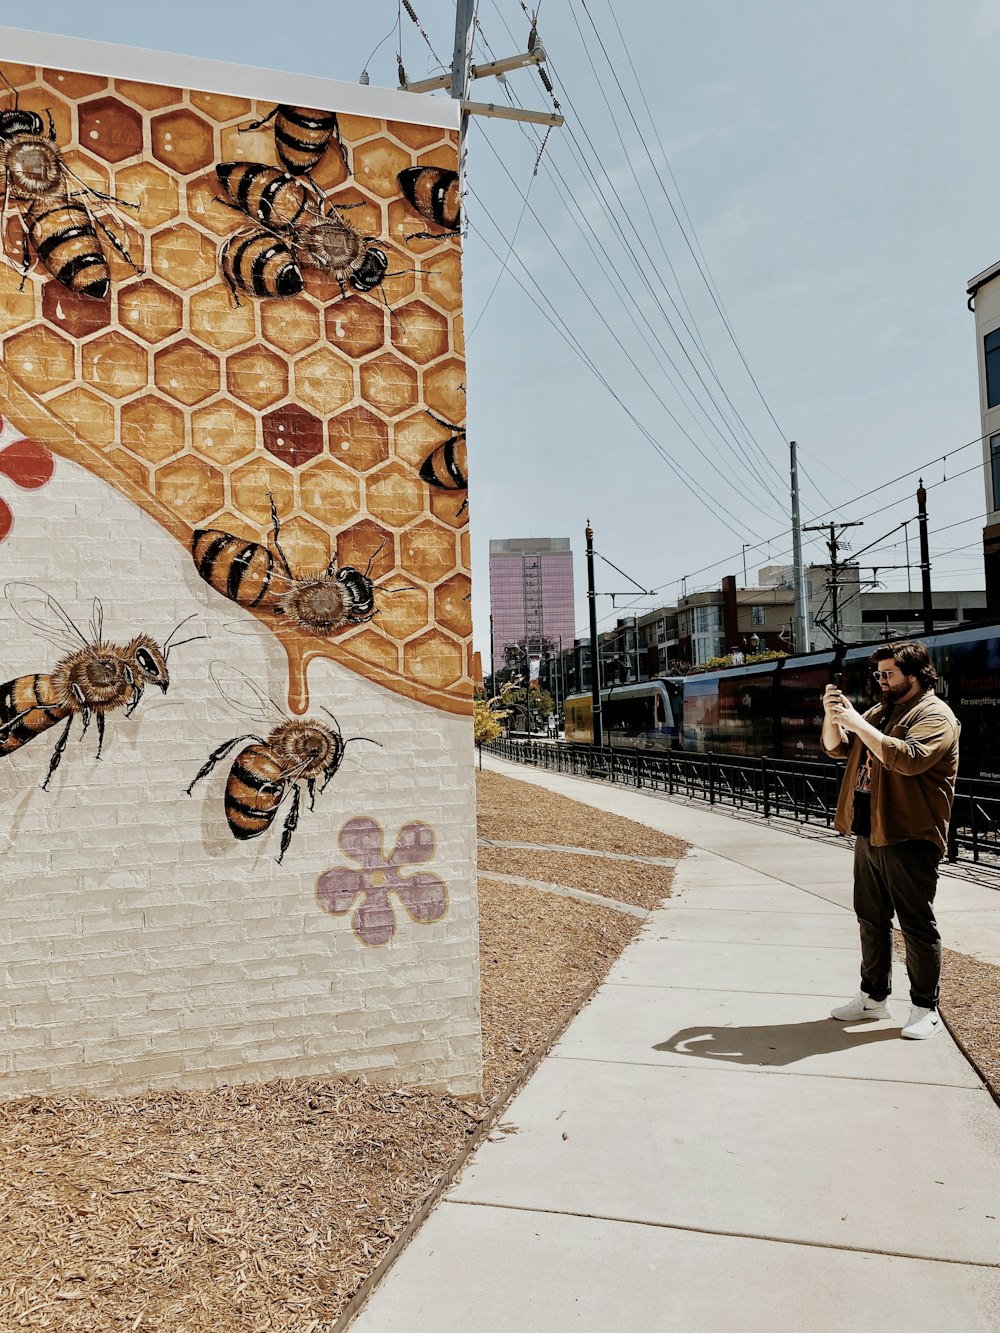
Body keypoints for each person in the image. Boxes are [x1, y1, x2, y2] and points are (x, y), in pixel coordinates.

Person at [821, 641, 959, 1040]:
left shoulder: (935, 715)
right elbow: (837, 748)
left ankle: (925, 1007)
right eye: (878, 674)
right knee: (870, 917)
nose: (880, 681)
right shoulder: (882, 711)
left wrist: (857, 722)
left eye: (888, 674)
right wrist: (833, 716)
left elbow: (908, 758)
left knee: (915, 923)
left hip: (909, 832)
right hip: (871, 828)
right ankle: (873, 997)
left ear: (915, 675)